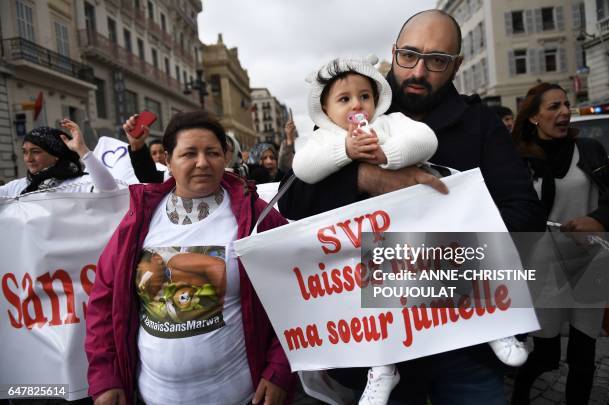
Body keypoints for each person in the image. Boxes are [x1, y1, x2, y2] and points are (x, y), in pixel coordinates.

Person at [279, 9, 546, 405]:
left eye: (437, 61)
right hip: (378, 337)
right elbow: (294, 195)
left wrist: (445, 252)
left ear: (455, 66)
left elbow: (524, 210)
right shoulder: (351, 104)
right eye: (409, 55)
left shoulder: (480, 123)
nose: (419, 71)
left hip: (465, 338)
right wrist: (369, 178)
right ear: (394, 51)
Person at [85, 111, 294, 405]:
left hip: (242, 395)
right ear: (168, 160)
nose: (202, 162)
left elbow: (296, 293)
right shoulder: (139, 219)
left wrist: (279, 371)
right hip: (151, 397)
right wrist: (106, 378)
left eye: (213, 152)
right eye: (189, 154)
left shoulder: (257, 216)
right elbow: (104, 303)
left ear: (226, 157)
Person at [510, 83, 609, 405]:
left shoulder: (591, 148)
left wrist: (598, 219)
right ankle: (519, 395)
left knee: (584, 355)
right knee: (546, 354)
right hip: (544, 265)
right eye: (553, 106)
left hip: (591, 261)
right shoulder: (518, 160)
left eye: (566, 104)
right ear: (534, 117)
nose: (565, 112)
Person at [293, 55, 437, 185]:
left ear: (375, 98)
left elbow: (428, 139)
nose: (357, 105)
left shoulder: (389, 122)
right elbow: (301, 168)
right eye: (344, 99)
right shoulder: (322, 137)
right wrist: (345, 150)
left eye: (365, 96)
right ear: (325, 109)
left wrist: (386, 153)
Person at [0, 120, 118, 197]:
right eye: (24, 152)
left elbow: (109, 191)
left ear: (56, 154)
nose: (28, 158)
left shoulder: (77, 184)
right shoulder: (18, 186)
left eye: (35, 152)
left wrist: (81, 149)